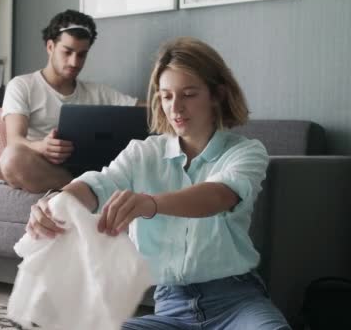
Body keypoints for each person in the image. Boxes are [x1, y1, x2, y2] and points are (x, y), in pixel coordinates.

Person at [26, 37, 291, 329]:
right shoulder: (142, 153)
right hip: (170, 309)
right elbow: (98, 185)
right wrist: (56, 201)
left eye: (188, 94)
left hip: (237, 303)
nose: (175, 108)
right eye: (166, 96)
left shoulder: (246, 151)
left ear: (217, 94)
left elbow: (218, 196)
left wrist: (150, 204)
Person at [0, 9, 141, 193]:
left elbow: (144, 109)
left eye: (82, 54)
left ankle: (88, 189)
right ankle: (83, 189)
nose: (75, 62)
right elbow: (15, 140)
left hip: (92, 167)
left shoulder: (97, 92)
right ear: (50, 47)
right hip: (44, 168)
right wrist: (42, 147)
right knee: (11, 158)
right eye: (67, 52)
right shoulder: (22, 85)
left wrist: (171, 98)